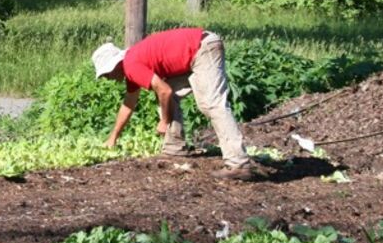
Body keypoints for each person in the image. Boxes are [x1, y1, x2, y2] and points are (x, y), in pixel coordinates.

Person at [92, 28, 266, 181]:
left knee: (211, 104)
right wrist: (113, 137)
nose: (107, 78)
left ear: (114, 65)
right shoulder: (131, 66)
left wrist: (164, 122)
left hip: (203, 48)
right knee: (168, 98)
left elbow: (164, 90)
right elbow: (129, 104)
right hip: (196, 51)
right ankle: (174, 148)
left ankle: (239, 163)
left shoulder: (131, 65)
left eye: (106, 74)